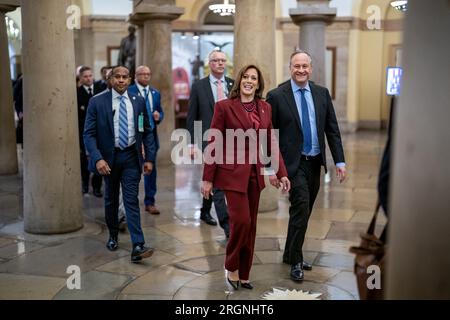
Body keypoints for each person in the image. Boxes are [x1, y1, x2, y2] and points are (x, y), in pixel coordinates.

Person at [202, 65, 291, 290]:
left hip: (254, 175)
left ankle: (244, 272)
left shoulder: (265, 108)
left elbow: (270, 142)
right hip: (231, 175)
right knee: (241, 221)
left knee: (251, 226)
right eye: (245, 77)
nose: (249, 81)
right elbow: (214, 142)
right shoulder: (224, 107)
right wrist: (207, 178)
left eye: (254, 78)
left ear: (259, 84)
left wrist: (281, 173)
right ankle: (231, 264)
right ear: (239, 80)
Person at [267, 50, 346, 282]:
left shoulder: (322, 93)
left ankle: (290, 253)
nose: (301, 70)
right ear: (290, 68)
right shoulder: (277, 95)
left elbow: (332, 130)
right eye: (296, 66)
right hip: (293, 164)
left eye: (305, 66)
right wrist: (271, 167)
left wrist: (339, 161)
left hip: (315, 163)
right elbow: (268, 135)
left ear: (311, 68)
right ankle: (296, 260)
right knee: (300, 206)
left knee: (305, 210)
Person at [83, 65, 155, 263]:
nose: (121, 80)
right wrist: (97, 158)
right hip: (108, 159)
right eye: (117, 77)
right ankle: (113, 235)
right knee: (111, 199)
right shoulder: (97, 102)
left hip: (131, 157)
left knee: (131, 199)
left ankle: (138, 245)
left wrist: (149, 158)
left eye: (125, 77)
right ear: (110, 79)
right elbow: (88, 134)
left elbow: (147, 130)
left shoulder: (138, 101)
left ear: (130, 80)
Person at [186, 49, 234, 238]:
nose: (220, 64)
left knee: (212, 178)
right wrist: (191, 143)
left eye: (223, 60)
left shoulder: (232, 85)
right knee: (218, 182)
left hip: (231, 138)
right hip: (208, 138)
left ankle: (205, 210)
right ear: (209, 64)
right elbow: (192, 117)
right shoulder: (199, 86)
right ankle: (227, 226)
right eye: (216, 60)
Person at [128, 65, 164, 215]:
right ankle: (130, 202)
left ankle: (150, 201)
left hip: (150, 136)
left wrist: (158, 116)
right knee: (132, 170)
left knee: (151, 169)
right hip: (134, 136)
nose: (145, 77)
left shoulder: (155, 93)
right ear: (136, 76)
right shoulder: (129, 91)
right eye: (142, 74)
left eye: (148, 74)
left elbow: (160, 111)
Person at [77, 66, 104, 197]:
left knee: (99, 156)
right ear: (80, 79)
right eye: (85, 76)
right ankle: (84, 184)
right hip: (84, 133)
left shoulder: (101, 90)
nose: (88, 78)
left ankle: (97, 187)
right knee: (84, 160)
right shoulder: (76, 93)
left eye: (90, 75)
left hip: (100, 132)